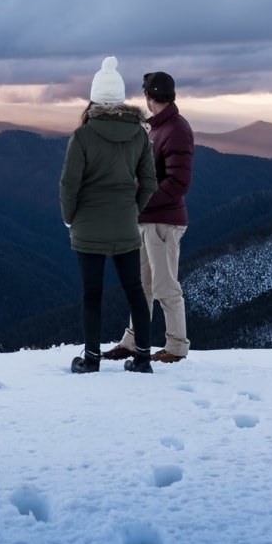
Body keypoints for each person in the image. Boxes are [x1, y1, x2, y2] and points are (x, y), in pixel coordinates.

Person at [59, 57, 158, 374]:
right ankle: (143, 358)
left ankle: (91, 359)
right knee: (135, 291)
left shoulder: (83, 136)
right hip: (125, 226)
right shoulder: (140, 134)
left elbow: (69, 183)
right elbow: (150, 182)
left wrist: (69, 217)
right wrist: (133, 209)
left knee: (92, 294)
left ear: (95, 98)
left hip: (88, 226)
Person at [102, 71, 194, 363]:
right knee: (142, 286)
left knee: (165, 286)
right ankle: (132, 342)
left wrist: (142, 198)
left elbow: (179, 183)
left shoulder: (175, 129)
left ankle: (177, 347)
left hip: (163, 222)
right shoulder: (158, 128)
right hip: (149, 220)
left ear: (149, 96)